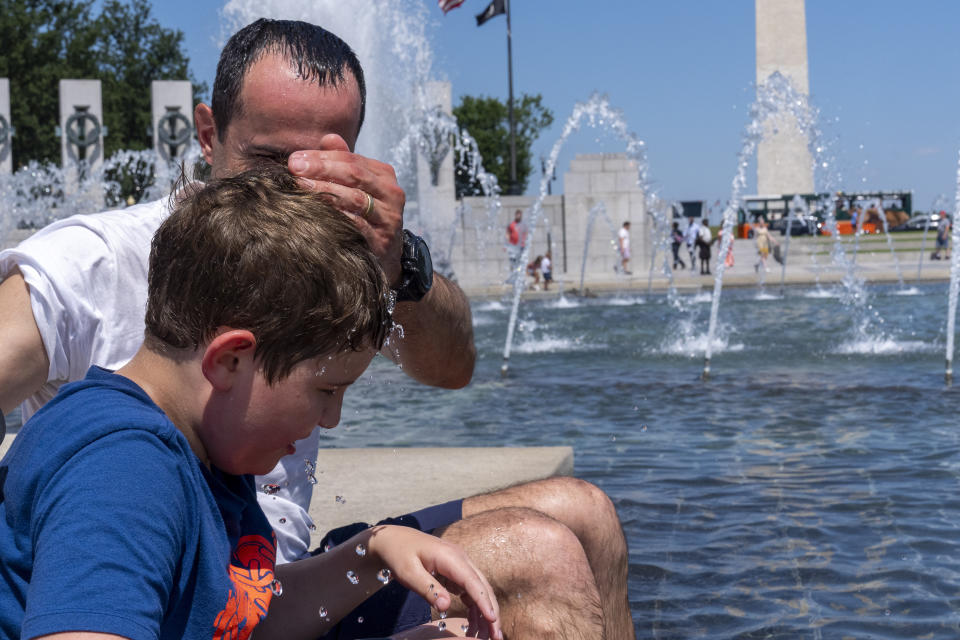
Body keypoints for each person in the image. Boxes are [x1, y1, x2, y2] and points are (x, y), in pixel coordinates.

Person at [0, 18, 630, 640]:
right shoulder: (125, 447)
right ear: (208, 133)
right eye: (271, 159)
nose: (296, 191)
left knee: (587, 515)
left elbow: (454, 369)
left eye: (325, 167)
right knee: (539, 559)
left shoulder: (219, 439)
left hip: (267, 586)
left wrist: (397, 268)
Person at [0, 169, 503, 640]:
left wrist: (371, 556)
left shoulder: (212, 445)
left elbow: (245, 619)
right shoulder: (123, 472)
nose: (333, 418)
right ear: (231, 361)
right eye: (326, 391)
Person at [506, 209, 528, 276]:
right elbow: (507, 234)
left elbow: (526, 234)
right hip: (513, 246)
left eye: (520, 215)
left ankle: (518, 274)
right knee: (513, 261)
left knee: (520, 262)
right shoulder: (511, 225)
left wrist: (525, 242)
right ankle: (512, 274)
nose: (518, 216)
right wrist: (507, 244)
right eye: (517, 215)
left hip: (521, 246)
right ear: (515, 215)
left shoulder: (523, 225)